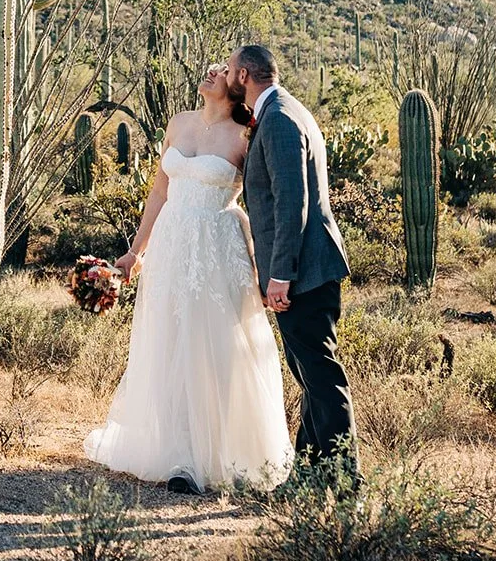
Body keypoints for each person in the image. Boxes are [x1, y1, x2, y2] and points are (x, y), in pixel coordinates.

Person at [83, 63, 294, 495]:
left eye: (223, 70)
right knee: (170, 341)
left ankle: (221, 454)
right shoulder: (178, 123)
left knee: (217, 349)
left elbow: (262, 202)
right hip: (171, 244)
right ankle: (179, 453)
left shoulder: (246, 135)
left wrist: (266, 267)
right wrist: (135, 252)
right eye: (213, 67)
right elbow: (160, 191)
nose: (213, 71)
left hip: (218, 247)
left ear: (236, 87)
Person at [227, 43, 358, 468]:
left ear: (244, 75)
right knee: (310, 376)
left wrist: (280, 274)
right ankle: (309, 472)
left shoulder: (280, 119)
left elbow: (291, 203)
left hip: (304, 272)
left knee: (321, 376)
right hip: (309, 268)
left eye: (230, 69)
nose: (226, 76)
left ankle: (345, 479)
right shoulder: (285, 110)